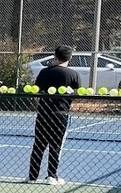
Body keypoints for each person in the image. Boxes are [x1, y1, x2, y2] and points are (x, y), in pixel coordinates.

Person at [28, 45, 81, 185]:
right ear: (69, 58)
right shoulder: (74, 74)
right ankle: (52, 176)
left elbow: (37, 89)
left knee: (38, 145)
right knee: (56, 146)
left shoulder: (44, 72)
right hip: (61, 115)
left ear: (55, 56)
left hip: (43, 114)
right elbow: (76, 93)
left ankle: (32, 177)